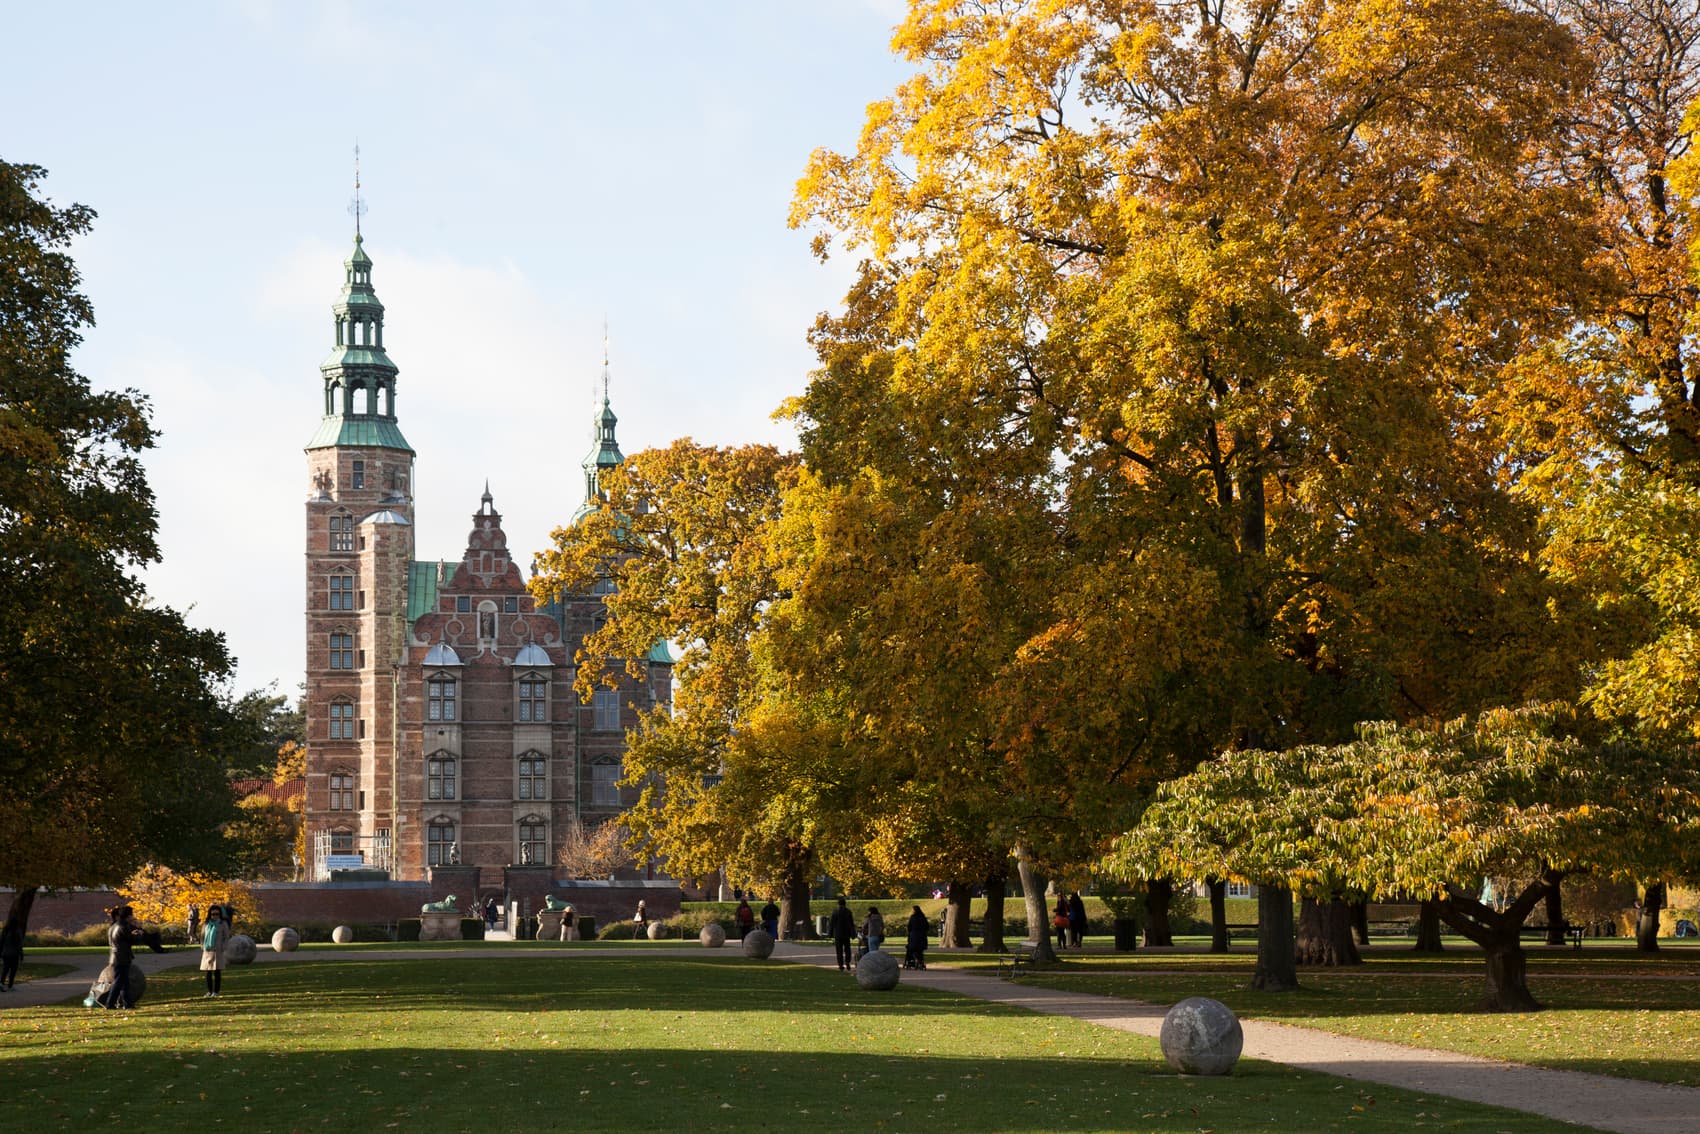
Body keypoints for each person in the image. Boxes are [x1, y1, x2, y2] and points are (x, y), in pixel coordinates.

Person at [99, 905, 137, 1009]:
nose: (132, 917)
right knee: (119, 981)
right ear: (128, 916)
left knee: (124, 982)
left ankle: (128, 1004)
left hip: (116, 956)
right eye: (131, 915)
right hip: (121, 957)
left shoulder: (114, 926)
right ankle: (110, 1003)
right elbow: (129, 939)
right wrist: (136, 935)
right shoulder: (122, 926)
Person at [200, 902, 230, 998]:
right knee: (208, 973)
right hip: (207, 950)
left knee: (217, 972)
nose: (215, 916)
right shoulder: (206, 924)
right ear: (210, 914)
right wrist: (202, 945)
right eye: (213, 914)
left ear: (220, 914)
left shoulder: (222, 924)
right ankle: (209, 991)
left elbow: (226, 936)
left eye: (217, 914)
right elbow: (202, 936)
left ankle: (216, 992)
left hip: (217, 951)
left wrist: (223, 947)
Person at [828, 897, 857, 971]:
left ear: (838, 904)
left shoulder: (835, 912)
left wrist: (830, 933)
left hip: (838, 934)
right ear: (845, 903)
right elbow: (851, 923)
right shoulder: (848, 911)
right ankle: (847, 961)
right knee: (847, 949)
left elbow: (832, 924)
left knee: (839, 950)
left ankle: (840, 965)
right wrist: (853, 933)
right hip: (846, 933)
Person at [0, 916, 22, 991]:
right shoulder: (17, 932)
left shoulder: (5, 931)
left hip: (5, 953)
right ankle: (10, 986)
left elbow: (1, 943)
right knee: (13, 970)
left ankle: (1, 983)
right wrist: (21, 954)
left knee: (5, 969)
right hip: (14, 954)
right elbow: (19, 945)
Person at [904, 905, 929, 970]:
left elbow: (909, 927)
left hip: (914, 936)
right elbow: (927, 927)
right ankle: (920, 961)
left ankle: (911, 961)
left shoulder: (913, 918)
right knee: (920, 950)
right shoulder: (923, 917)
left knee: (911, 949)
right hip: (922, 936)